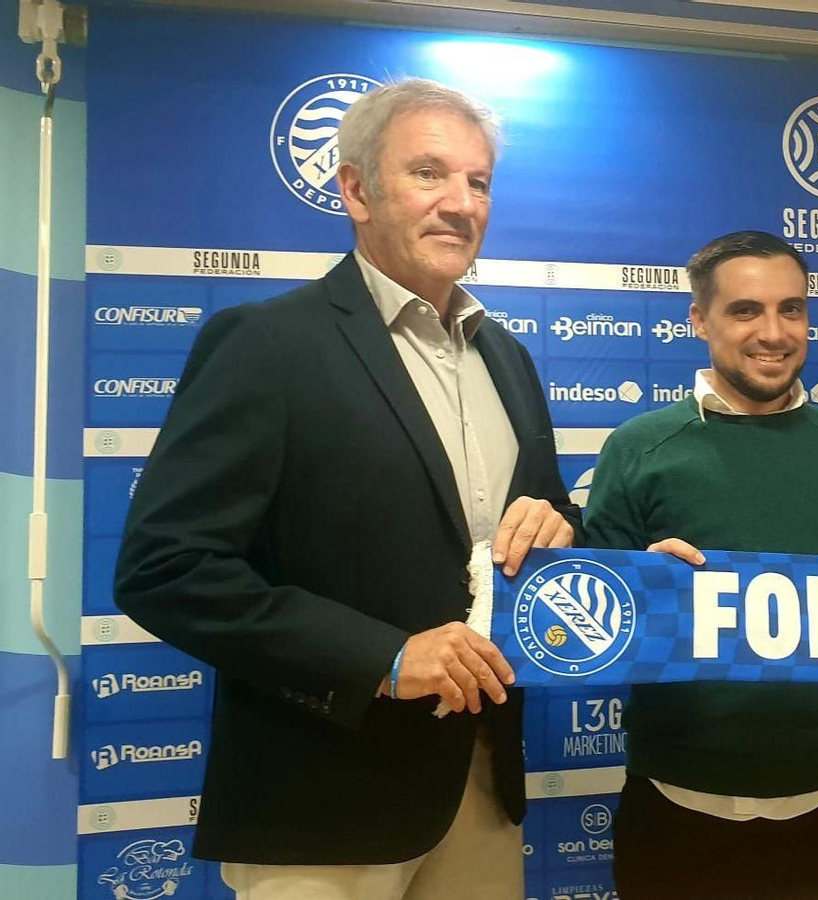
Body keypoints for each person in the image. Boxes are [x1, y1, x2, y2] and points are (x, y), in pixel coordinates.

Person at [114, 79, 580, 899]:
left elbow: (530, 533)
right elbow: (166, 569)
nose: (460, 203)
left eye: (478, 182)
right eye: (429, 174)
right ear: (356, 190)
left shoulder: (507, 357)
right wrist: (386, 657)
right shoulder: (267, 344)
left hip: (481, 791)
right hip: (320, 804)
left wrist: (567, 532)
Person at [583, 230, 818, 899]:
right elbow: (591, 632)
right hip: (676, 813)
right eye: (746, 311)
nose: (773, 332)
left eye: (791, 309)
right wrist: (639, 590)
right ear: (698, 320)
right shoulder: (636, 449)